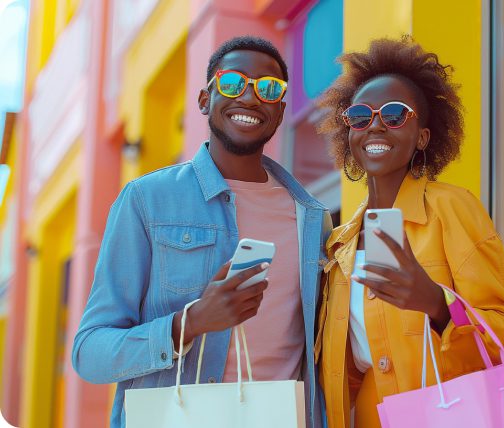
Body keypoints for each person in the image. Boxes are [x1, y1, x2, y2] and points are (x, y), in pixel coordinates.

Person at [72, 36, 330, 428]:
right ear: (204, 100)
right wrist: (188, 324)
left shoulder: (313, 218)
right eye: (232, 83)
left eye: (268, 88)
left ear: (279, 112)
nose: (249, 96)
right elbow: (90, 352)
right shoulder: (148, 200)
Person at [314, 37, 504, 428]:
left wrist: (437, 305)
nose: (375, 125)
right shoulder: (341, 243)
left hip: (450, 415)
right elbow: (347, 371)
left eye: (395, 114)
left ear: (423, 137)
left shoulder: (451, 208)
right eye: (361, 116)